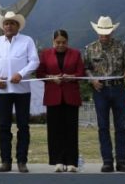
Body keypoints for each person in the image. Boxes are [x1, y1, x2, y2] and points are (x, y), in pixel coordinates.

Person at [0, 11, 39, 173]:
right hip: (3, 91)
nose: (9, 26)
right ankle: (5, 161)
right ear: (3, 26)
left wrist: (21, 74)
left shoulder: (27, 40)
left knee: (23, 126)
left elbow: (34, 61)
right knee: (4, 127)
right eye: (6, 23)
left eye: (12, 23)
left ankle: (22, 161)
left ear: (18, 26)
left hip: (22, 90)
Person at [84, 16, 125, 173]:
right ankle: (107, 161)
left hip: (118, 88)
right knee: (103, 126)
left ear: (112, 32)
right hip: (100, 90)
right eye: (101, 33)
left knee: (121, 126)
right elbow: (86, 68)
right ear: (97, 32)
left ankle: (122, 161)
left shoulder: (121, 46)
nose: (104, 36)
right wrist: (92, 80)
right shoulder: (90, 48)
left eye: (107, 33)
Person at [37, 29, 85, 173]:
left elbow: (81, 72)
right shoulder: (45, 54)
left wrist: (72, 77)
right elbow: (39, 73)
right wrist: (51, 77)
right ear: (53, 42)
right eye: (57, 42)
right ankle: (58, 161)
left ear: (67, 42)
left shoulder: (76, 53)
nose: (60, 45)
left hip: (71, 96)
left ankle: (71, 162)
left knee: (71, 130)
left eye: (63, 42)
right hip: (53, 97)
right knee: (54, 130)